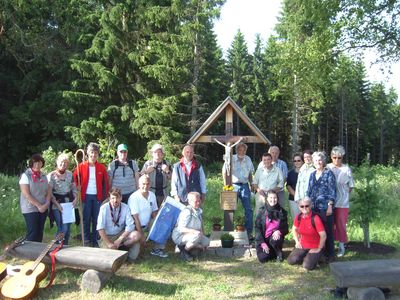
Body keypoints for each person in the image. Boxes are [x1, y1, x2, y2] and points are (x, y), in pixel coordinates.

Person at [74, 142, 109, 247]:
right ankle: (86, 240)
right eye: (92, 152)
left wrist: (105, 196)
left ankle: (95, 240)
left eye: (96, 153)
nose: (94, 155)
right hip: (85, 197)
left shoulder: (102, 167)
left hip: (97, 197)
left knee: (96, 219)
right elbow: (75, 178)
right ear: (88, 153)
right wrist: (77, 186)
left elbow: (105, 183)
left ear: (98, 154)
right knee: (86, 218)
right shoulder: (81, 166)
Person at [306, 151, 336, 261]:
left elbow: (332, 191)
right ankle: (320, 255)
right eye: (316, 160)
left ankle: (330, 255)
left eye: (320, 160)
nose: (318, 162)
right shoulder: (312, 174)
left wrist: (330, 206)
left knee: (328, 232)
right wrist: (307, 206)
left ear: (323, 161)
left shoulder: (329, 174)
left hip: (325, 208)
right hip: (314, 208)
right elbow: (308, 192)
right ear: (313, 162)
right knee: (318, 232)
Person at [128, 175, 167, 258]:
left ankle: (157, 249)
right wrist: (141, 235)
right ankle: (127, 249)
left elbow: (154, 214)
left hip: (147, 224)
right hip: (135, 227)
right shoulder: (134, 197)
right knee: (133, 257)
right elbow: (136, 219)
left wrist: (162, 211)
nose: (145, 186)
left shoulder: (152, 195)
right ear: (139, 184)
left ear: (150, 184)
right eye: (143, 184)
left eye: (148, 184)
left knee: (161, 224)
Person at [97, 187, 141, 261]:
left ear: (121, 198)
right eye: (112, 198)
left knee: (137, 235)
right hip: (107, 237)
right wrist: (109, 244)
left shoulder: (125, 207)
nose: (115, 200)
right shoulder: (104, 208)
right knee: (109, 256)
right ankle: (118, 253)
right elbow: (100, 228)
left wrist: (120, 239)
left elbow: (130, 225)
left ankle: (124, 249)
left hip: (120, 235)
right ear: (110, 198)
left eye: (117, 198)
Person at [327, 146, 354, 257]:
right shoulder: (327, 167)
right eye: (334, 157)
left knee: (341, 224)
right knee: (330, 224)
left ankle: (342, 246)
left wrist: (344, 193)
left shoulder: (346, 169)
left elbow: (351, 186)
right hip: (329, 202)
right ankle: (330, 246)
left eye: (339, 157)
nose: (337, 160)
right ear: (331, 157)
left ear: (342, 157)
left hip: (342, 202)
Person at [287, 197, 327, 270]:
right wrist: (297, 241)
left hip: (315, 246)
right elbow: (294, 229)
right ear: (299, 207)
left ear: (311, 206)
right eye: (302, 206)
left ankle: (320, 256)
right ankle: (308, 255)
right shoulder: (298, 217)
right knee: (291, 261)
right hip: (303, 245)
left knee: (307, 266)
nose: (304, 208)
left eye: (307, 206)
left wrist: (319, 248)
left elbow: (323, 235)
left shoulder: (315, 218)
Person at [19, 154, 52, 242]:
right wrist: (39, 206)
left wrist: (47, 203)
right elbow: (26, 194)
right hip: (30, 208)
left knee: (39, 231)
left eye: (39, 162)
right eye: (35, 162)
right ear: (31, 163)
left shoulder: (44, 175)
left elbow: (49, 191)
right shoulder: (25, 176)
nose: (37, 164)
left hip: (43, 207)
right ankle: (29, 254)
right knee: (33, 232)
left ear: (42, 164)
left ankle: (38, 254)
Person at [47, 153, 78, 245]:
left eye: (65, 163)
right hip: (56, 204)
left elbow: (74, 188)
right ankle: (56, 246)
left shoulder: (70, 174)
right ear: (57, 162)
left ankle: (65, 246)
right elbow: (49, 192)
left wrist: (76, 198)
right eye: (61, 162)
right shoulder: (51, 175)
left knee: (67, 228)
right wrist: (57, 204)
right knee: (62, 227)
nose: (63, 164)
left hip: (68, 204)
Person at [172, 192, 209, 262]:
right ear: (189, 202)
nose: (198, 203)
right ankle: (184, 252)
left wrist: (202, 235)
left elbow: (201, 227)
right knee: (197, 236)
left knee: (206, 241)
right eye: (196, 201)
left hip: (192, 235)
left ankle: (188, 247)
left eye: (199, 201)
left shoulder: (199, 211)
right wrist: (195, 232)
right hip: (180, 236)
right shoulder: (186, 212)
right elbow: (181, 228)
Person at [227, 142, 254, 239]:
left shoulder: (248, 159)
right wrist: (226, 184)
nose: (242, 152)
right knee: (230, 209)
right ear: (236, 150)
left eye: (244, 150)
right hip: (233, 185)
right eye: (240, 149)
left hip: (245, 185)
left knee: (248, 209)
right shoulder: (231, 158)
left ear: (246, 151)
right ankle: (229, 231)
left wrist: (252, 184)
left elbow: (250, 173)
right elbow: (224, 170)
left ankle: (248, 232)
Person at [255, 190, 288, 263]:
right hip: (263, 239)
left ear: (277, 199)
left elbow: (286, 228)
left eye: (275, 198)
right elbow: (257, 228)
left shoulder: (282, 212)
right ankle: (273, 253)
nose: (273, 200)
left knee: (276, 239)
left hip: (274, 239)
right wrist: (262, 243)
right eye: (271, 197)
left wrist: (279, 231)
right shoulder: (261, 211)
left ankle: (278, 253)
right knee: (262, 258)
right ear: (267, 199)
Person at [141, 143, 172, 208]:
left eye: (159, 152)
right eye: (155, 152)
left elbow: (172, 179)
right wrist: (147, 171)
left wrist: (167, 171)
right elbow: (140, 178)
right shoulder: (148, 164)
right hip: (151, 192)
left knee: (163, 212)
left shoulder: (167, 163)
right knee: (151, 212)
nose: (157, 154)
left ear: (162, 154)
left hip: (164, 193)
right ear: (152, 154)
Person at [286, 153, 303, 219]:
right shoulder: (290, 173)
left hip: (305, 199)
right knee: (296, 219)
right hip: (293, 199)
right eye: (295, 161)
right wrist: (296, 196)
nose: (297, 162)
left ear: (302, 161)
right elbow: (288, 186)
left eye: (299, 160)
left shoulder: (307, 172)